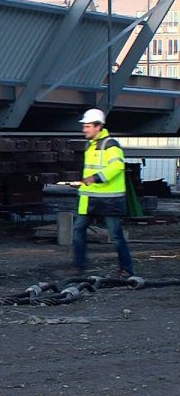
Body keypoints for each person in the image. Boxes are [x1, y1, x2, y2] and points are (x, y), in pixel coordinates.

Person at [72, 108, 134, 277]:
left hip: (109, 199)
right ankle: (79, 266)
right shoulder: (90, 146)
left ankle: (127, 268)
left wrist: (95, 178)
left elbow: (117, 166)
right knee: (78, 231)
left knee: (115, 235)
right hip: (90, 198)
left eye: (88, 126)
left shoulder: (111, 145)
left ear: (98, 126)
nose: (84, 129)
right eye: (84, 126)